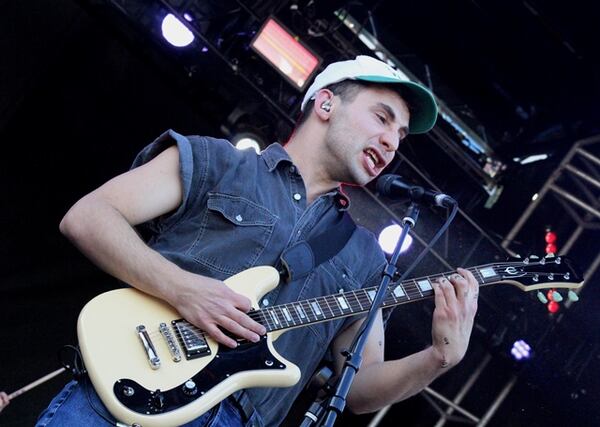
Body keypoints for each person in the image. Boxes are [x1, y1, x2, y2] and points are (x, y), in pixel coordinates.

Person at [36, 55, 478, 426]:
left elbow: (358, 388)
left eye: (400, 136)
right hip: (123, 394)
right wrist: (183, 289)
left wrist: (437, 359)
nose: (390, 142)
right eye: (382, 118)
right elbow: (88, 217)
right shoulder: (220, 162)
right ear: (325, 103)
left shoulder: (364, 256)